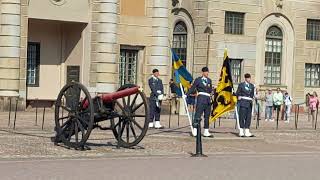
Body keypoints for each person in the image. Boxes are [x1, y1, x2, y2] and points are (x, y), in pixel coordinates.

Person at [185, 67, 213, 137]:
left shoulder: (209, 80)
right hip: (201, 99)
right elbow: (193, 88)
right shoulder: (198, 80)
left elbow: (210, 90)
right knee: (198, 115)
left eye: (208, 72)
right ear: (203, 72)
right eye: (206, 72)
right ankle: (195, 130)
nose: (207, 73)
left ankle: (206, 131)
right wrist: (187, 94)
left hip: (208, 100)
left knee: (207, 116)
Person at [236, 73, 255, 137]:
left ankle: (247, 131)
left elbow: (252, 94)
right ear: (246, 78)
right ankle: (241, 131)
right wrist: (238, 97)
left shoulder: (252, 86)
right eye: (248, 78)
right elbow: (237, 93)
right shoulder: (241, 85)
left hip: (249, 103)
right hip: (243, 102)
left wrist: (252, 99)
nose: (249, 79)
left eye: (250, 78)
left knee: (248, 117)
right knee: (242, 117)